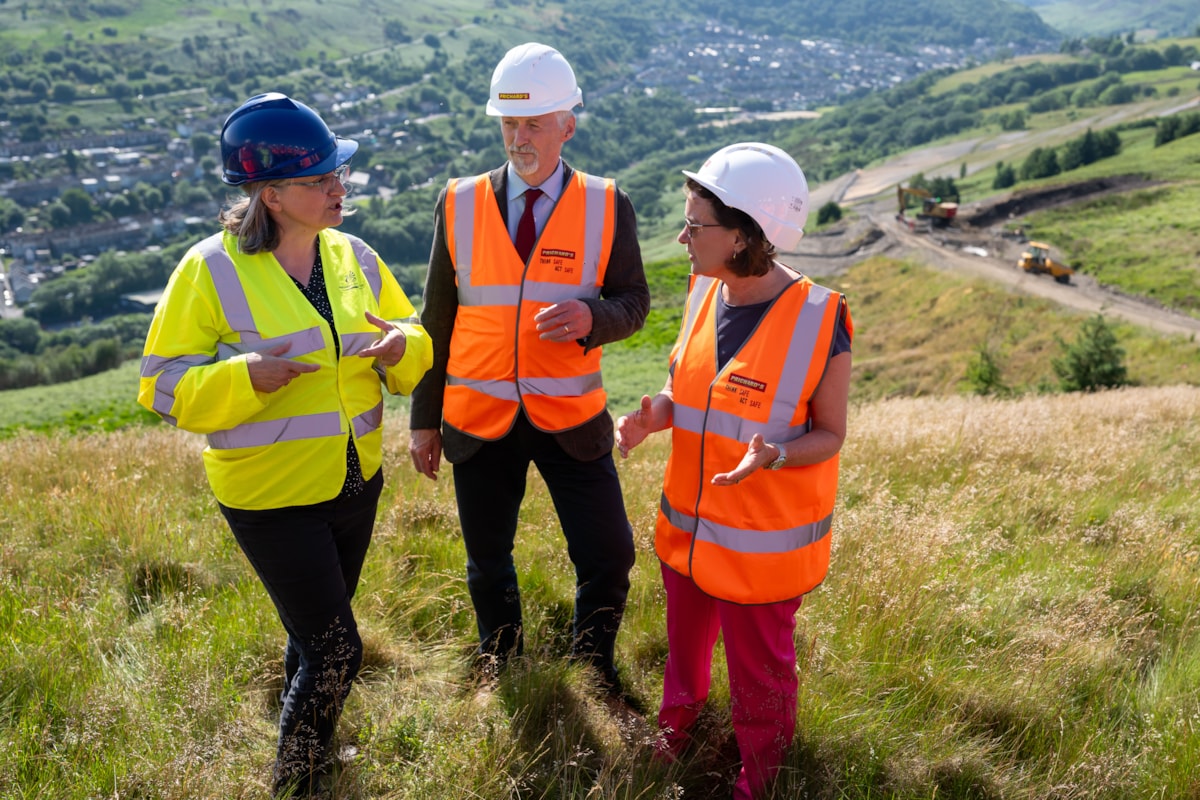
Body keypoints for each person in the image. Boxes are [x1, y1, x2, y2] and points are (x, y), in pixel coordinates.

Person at [137, 92, 432, 796]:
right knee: (338, 651)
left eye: (339, 173)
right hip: (269, 496)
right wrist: (244, 377)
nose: (340, 187)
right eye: (320, 178)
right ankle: (296, 781)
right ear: (270, 195)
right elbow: (161, 385)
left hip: (355, 483)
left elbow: (414, 336)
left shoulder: (356, 255)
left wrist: (401, 347)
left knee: (313, 639)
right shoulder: (208, 270)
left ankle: (309, 746)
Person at [408, 42, 650, 699]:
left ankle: (593, 669)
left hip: (571, 417)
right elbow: (436, 320)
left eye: (534, 124)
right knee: (487, 560)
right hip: (477, 418)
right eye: (509, 123)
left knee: (609, 555)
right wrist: (423, 422)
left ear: (567, 125)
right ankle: (501, 663)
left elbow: (635, 302)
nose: (519, 138)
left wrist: (594, 317)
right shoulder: (457, 202)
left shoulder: (608, 204)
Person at [615, 142, 853, 799]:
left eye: (696, 226)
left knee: (761, 678)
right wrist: (655, 417)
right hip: (688, 533)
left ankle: (761, 777)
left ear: (744, 235)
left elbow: (831, 434)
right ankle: (677, 730)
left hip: (760, 549)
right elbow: (687, 393)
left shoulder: (820, 318)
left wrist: (775, 454)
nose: (683, 237)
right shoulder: (702, 293)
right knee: (684, 653)